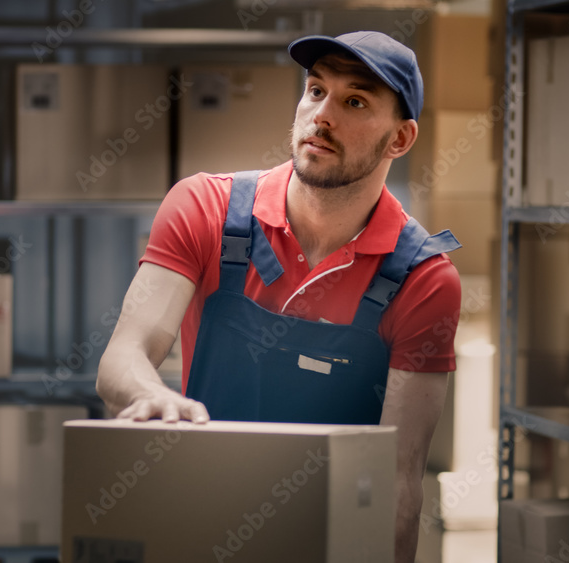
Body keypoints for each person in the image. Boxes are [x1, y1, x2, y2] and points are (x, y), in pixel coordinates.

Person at [96, 30, 461, 562]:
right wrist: (149, 396)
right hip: (201, 523)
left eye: (354, 101)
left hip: (330, 542)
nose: (323, 115)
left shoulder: (422, 281)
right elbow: (124, 356)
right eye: (316, 90)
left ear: (400, 140)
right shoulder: (204, 209)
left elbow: (398, 485)